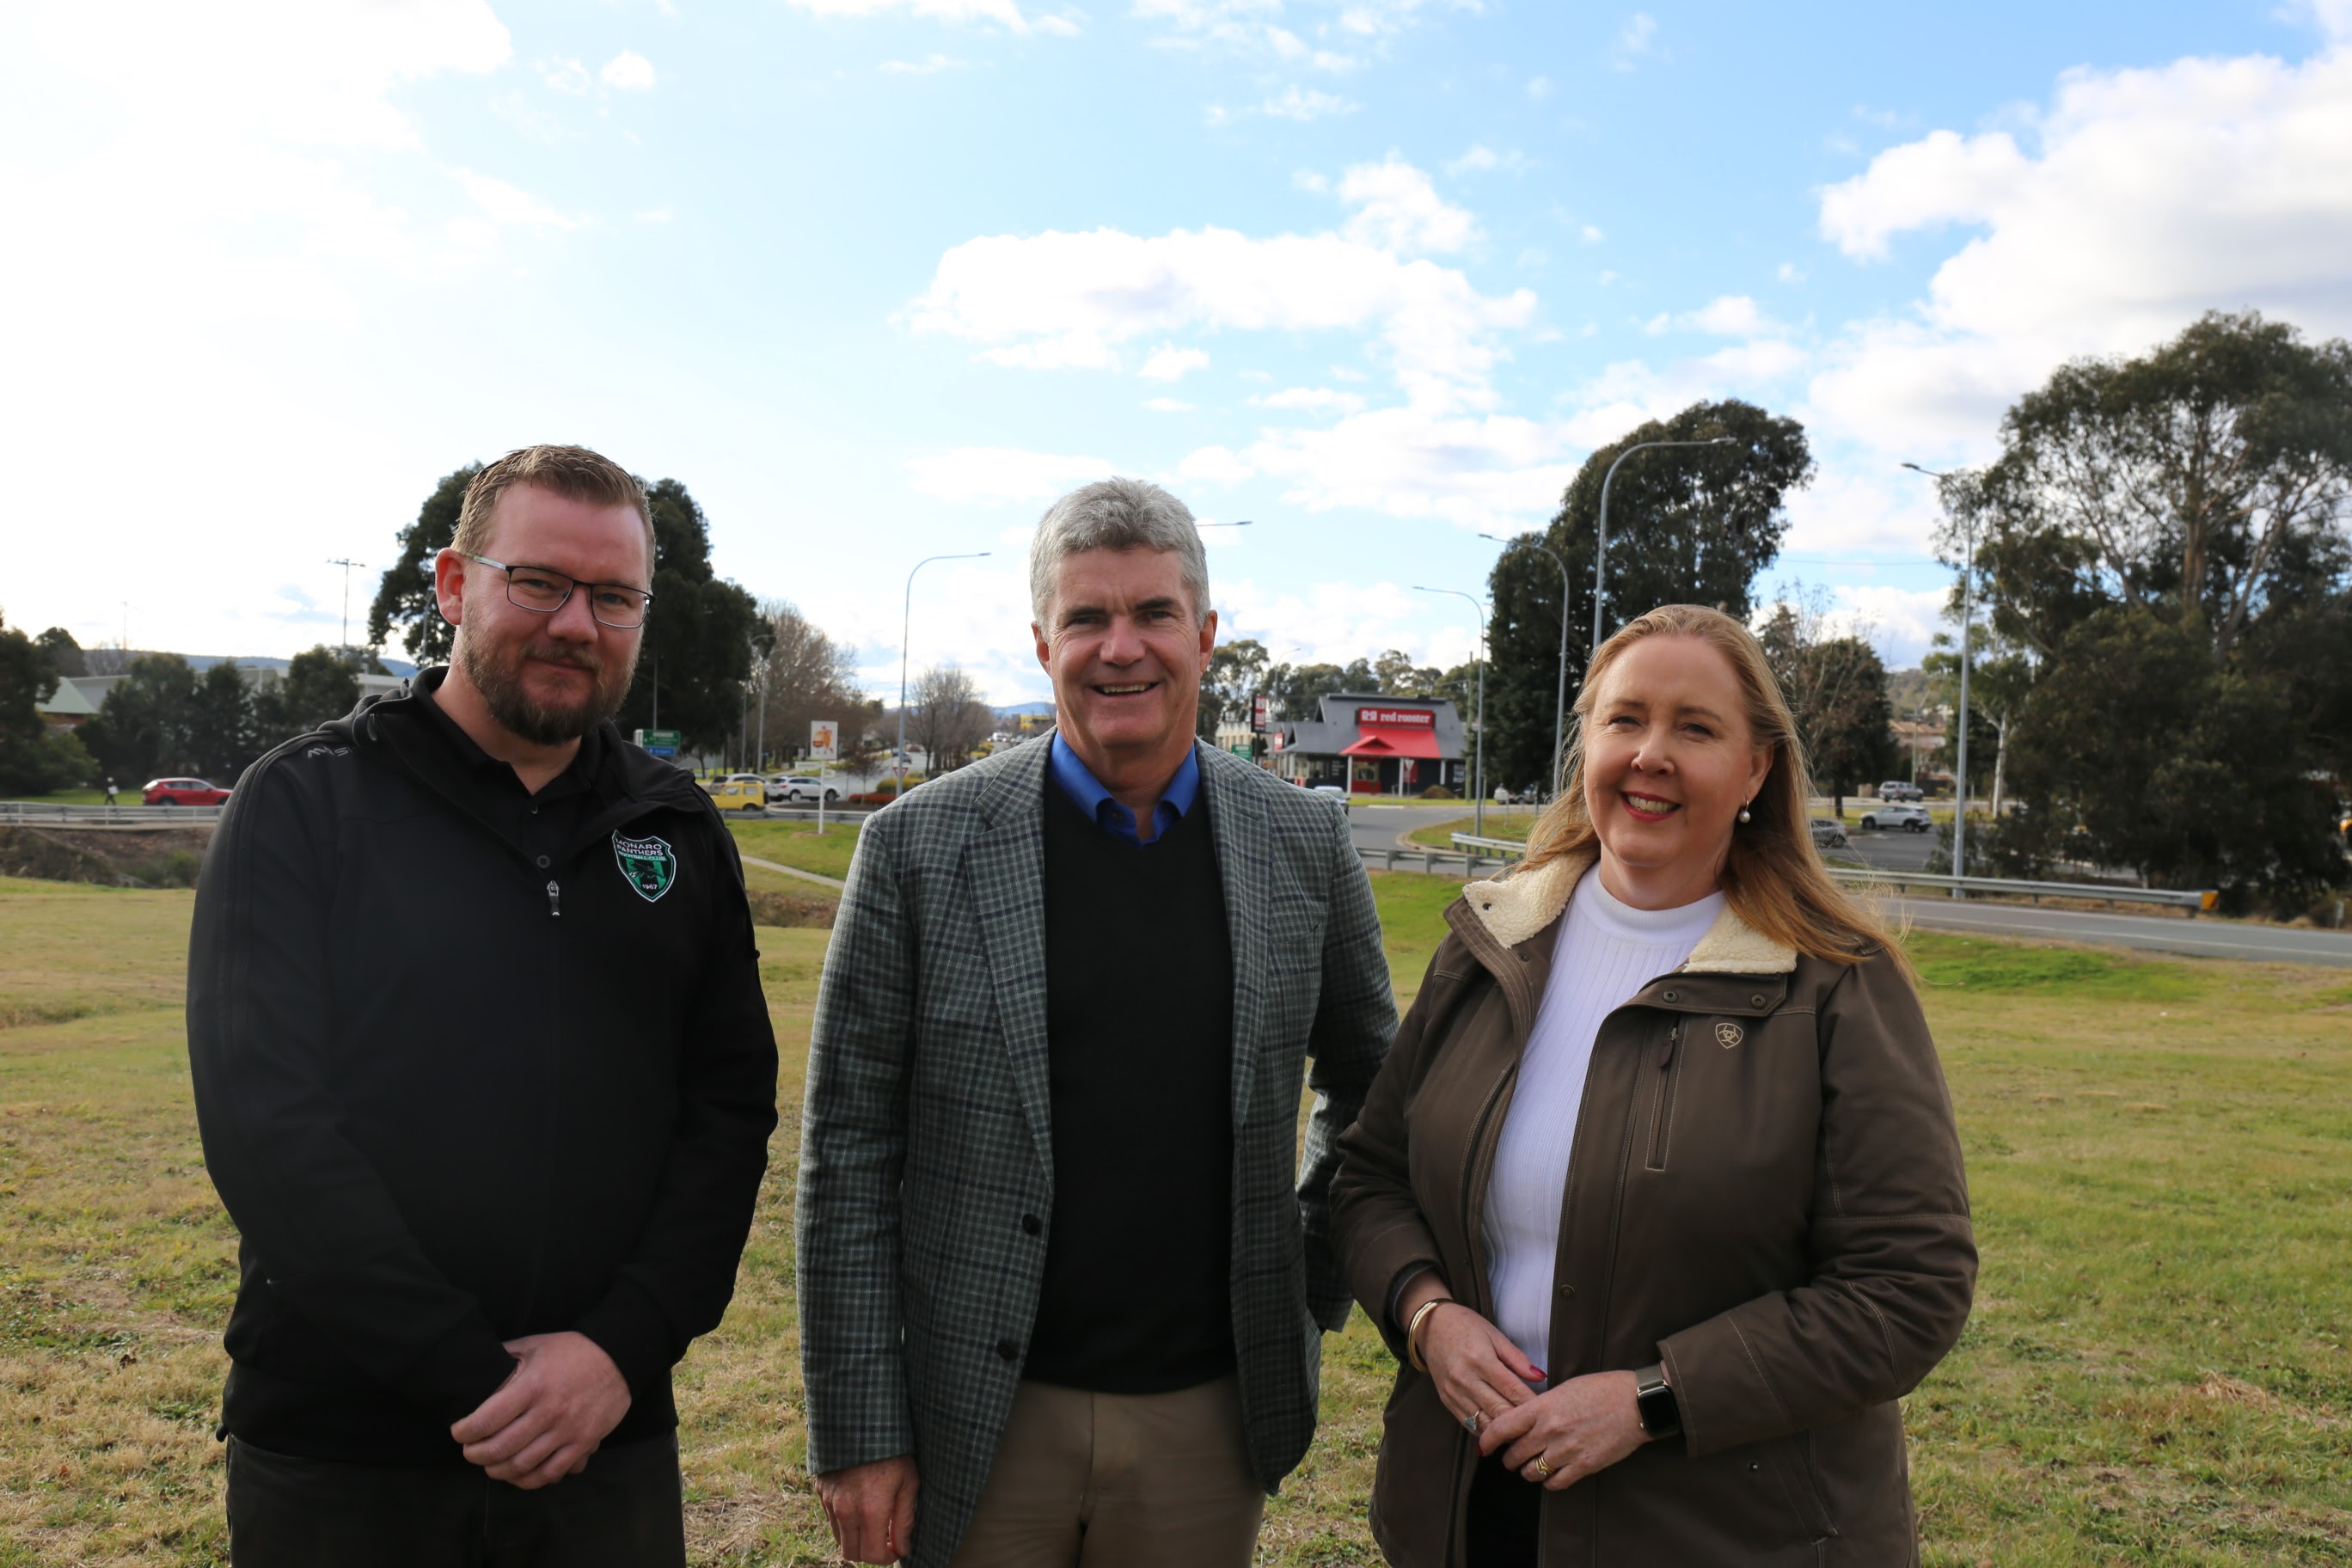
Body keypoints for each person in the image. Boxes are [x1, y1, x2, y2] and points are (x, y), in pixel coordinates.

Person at [186, 444, 780, 1566]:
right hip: (345, 1455)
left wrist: (620, 1350)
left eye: (614, 597)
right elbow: (268, 1129)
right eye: (539, 583)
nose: (575, 624)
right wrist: (477, 1379)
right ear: (455, 585)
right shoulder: (307, 805)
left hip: (606, 1440)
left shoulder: (677, 830)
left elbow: (729, 1112)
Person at [797, 477, 1396, 1568]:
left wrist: (1306, 1278)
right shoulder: (919, 850)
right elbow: (845, 1150)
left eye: (1154, 614)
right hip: (976, 1408)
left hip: (1207, 1421)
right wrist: (858, 1428)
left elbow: (1373, 1087)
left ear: (1205, 635)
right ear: (1042, 642)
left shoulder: (1303, 842)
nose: (1122, 648)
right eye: (1087, 618)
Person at [1331, 603, 1975, 1565]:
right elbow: (1371, 1179)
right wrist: (1427, 1314)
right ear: (1587, 738)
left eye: (1697, 728)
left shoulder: (1837, 985)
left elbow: (1908, 1288)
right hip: (1475, 1511)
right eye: (1625, 718)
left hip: (1730, 1533)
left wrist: (1653, 1400)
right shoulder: (1490, 943)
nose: (1651, 754)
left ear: (1758, 768)